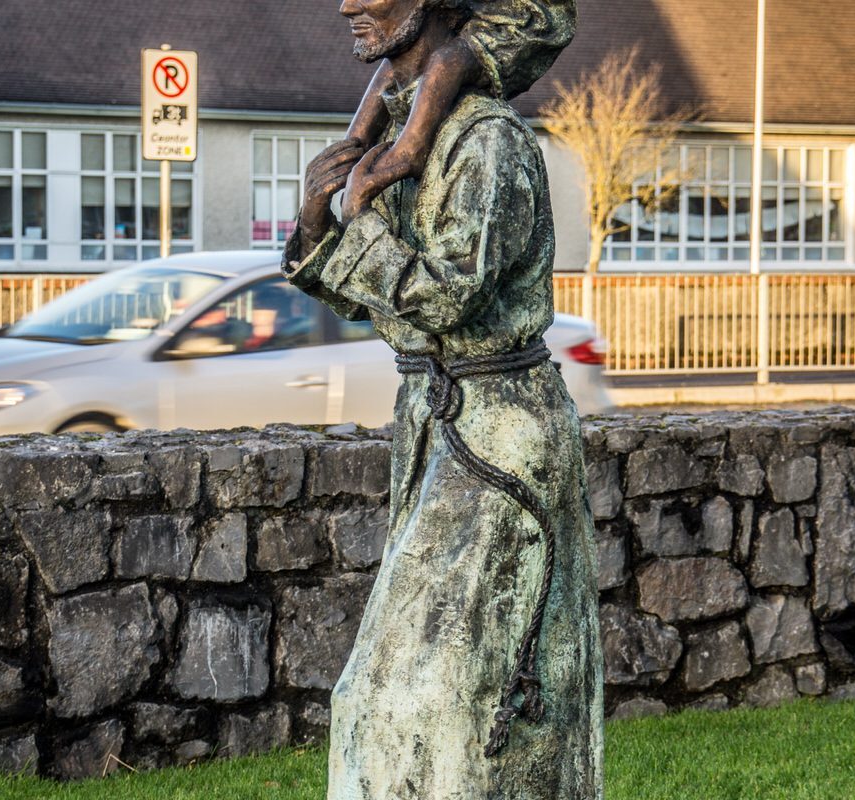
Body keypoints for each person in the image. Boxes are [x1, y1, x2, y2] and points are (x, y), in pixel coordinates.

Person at [284, 0, 602, 796]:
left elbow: (446, 294)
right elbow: (378, 297)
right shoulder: (399, 137)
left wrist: (355, 232)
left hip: (499, 441)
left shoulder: (484, 140)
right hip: (438, 423)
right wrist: (319, 223)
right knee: (396, 696)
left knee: (446, 693)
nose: (350, 4)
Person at [346, 0, 576, 195]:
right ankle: (364, 147)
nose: (345, 8)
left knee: (445, 61)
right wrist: (315, 227)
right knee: (416, 60)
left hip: (507, 18)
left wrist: (361, 221)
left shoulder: (489, 138)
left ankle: (410, 148)